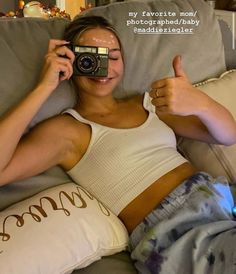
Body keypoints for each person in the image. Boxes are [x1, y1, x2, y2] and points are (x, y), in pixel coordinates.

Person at [0, 15, 236, 273]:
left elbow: (227, 135)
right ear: (69, 59)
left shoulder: (147, 103)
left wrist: (200, 103)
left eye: (113, 57)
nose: (104, 66)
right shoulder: (66, 130)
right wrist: (44, 87)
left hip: (220, 195)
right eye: (90, 56)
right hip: (177, 230)